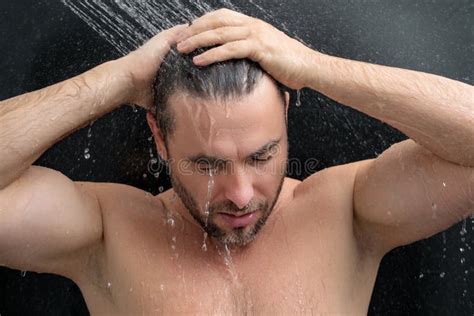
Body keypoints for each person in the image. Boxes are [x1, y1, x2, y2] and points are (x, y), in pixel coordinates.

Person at [0, 8, 472, 315]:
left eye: (261, 155)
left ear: (286, 117)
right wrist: (117, 80)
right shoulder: (107, 231)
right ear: (160, 139)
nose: (241, 194)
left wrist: (314, 67)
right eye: (207, 165)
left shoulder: (347, 210)